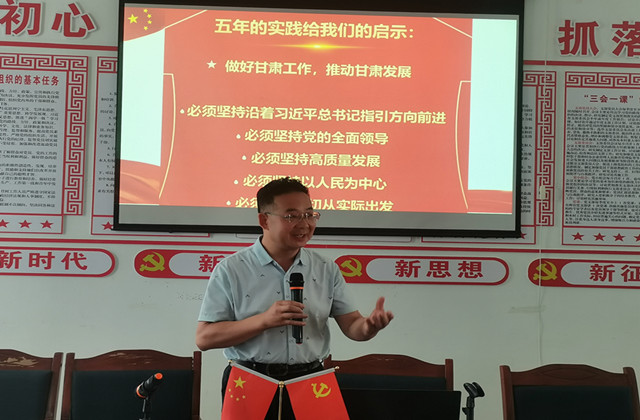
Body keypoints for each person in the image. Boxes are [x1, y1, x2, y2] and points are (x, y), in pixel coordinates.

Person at [196, 177, 393, 419]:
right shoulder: (231, 269)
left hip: (311, 382)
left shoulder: (326, 268)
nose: (304, 224)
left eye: (309, 215)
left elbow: (353, 326)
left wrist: (369, 326)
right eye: (291, 216)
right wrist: (264, 321)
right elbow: (204, 338)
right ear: (264, 220)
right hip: (250, 381)